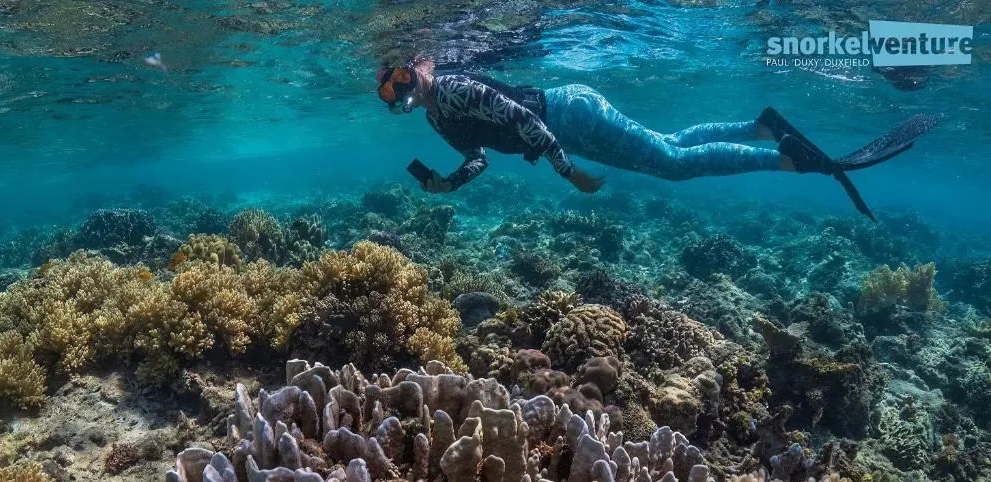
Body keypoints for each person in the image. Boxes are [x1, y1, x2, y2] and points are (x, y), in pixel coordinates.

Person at [376, 56, 941, 219]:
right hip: (572, 118)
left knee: (670, 162)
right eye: (389, 92)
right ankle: (763, 127)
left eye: (402, 77)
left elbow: (524, 124)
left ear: (420, 67)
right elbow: (478, 158)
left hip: (570, 117)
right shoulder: (435, 117)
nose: (401, 92)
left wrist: (566, 171)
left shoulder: (452, 88)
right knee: (667, 140)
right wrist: (450, 183)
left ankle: (785, 156)